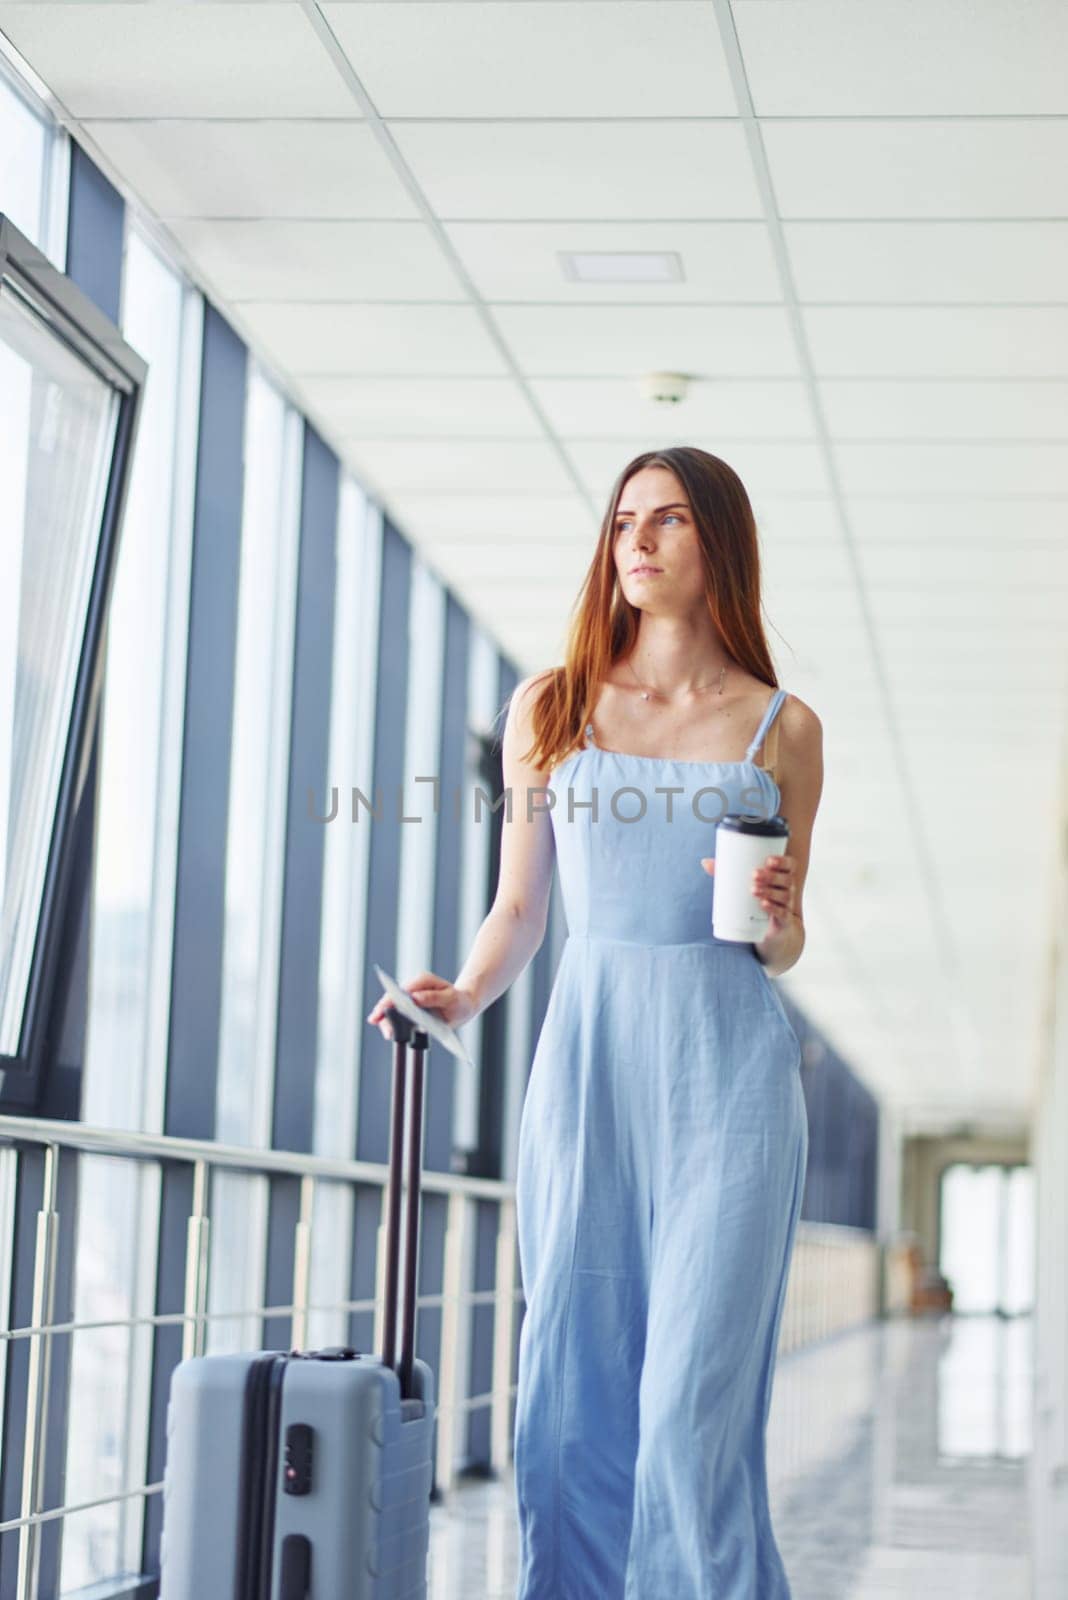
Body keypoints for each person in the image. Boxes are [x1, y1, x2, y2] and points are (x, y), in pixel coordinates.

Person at [367, 445, 824, 1598]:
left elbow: (784, 940)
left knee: (686, 1413)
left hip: (731, 1082)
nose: (640, 542)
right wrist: (463, 992)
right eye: (626, 521)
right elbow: (521, 904)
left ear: (721, 541)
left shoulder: (783, 727)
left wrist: (777, 917)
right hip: (591, 1073)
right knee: (570, 1396)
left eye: (669, 520)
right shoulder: (553, 705)